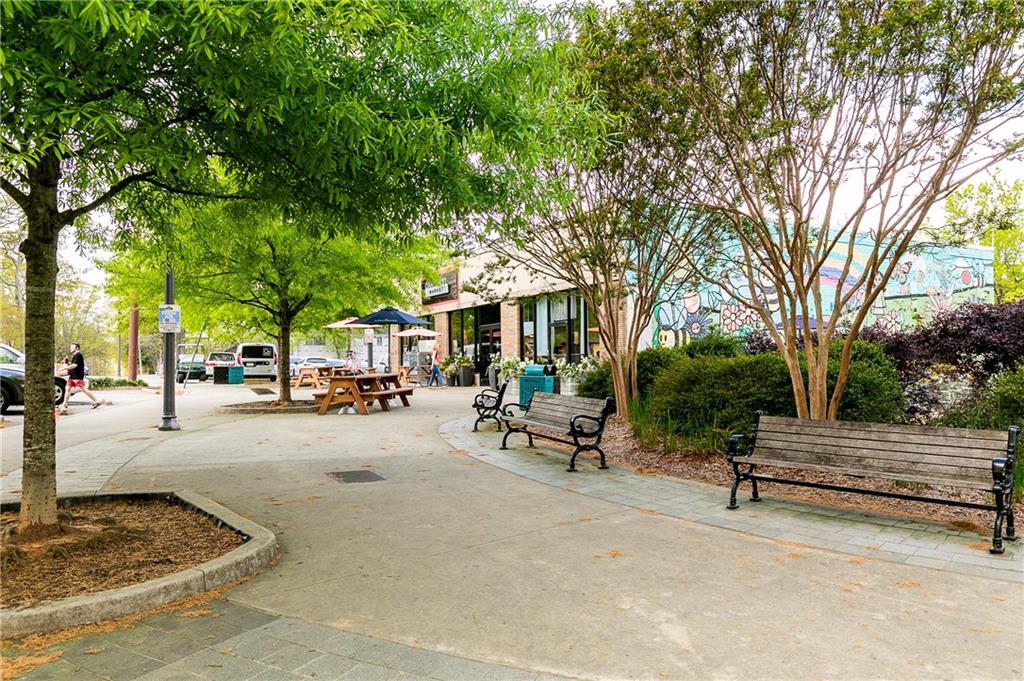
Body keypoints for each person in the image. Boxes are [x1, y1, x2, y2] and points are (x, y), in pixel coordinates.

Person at [60, 342, 104, 413]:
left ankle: (96, 401)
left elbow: (74, 365)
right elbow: (72, 365)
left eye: (72, 347)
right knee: (67, 388)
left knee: (83, 389)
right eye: (70, 347)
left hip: (77, 376)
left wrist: (64, 368)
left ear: (77, 348)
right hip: (73, 376)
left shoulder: (78, 354)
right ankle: (65, 404)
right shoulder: (75, 355)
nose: (70, 348)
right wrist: (67, 362)